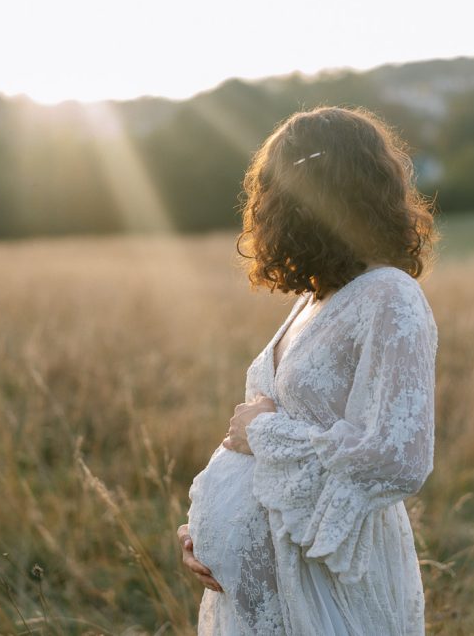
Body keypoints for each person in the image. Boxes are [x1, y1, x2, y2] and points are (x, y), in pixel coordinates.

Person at [176, 105, 439, 635]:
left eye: (273, 190)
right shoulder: (317, 298)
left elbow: (398, 458)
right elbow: (278, 451)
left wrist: (264, 431)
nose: (262, 207)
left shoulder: (391, 297)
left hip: (327, 587)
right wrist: (202, 534)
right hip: (261, 592)